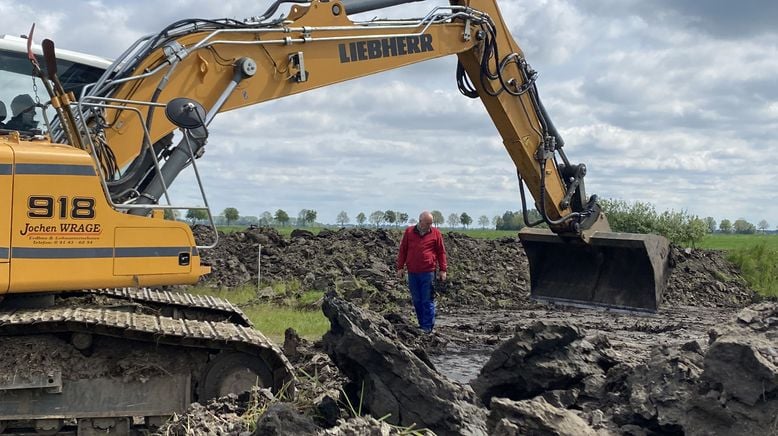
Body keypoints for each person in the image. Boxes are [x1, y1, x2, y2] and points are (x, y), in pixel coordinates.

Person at [395, 210, 447, 333]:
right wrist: (400, 267)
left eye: (431, 223)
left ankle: (427, 327)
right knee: (417, 300)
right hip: (412, 272)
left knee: (427, 299)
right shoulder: (409, 232)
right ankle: (422, 323)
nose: (430, 226)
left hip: (428, 272)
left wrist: (443, 270)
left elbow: (441, 252)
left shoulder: (436, 233)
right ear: (420, 221)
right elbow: (403, 250)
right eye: (427, 223)